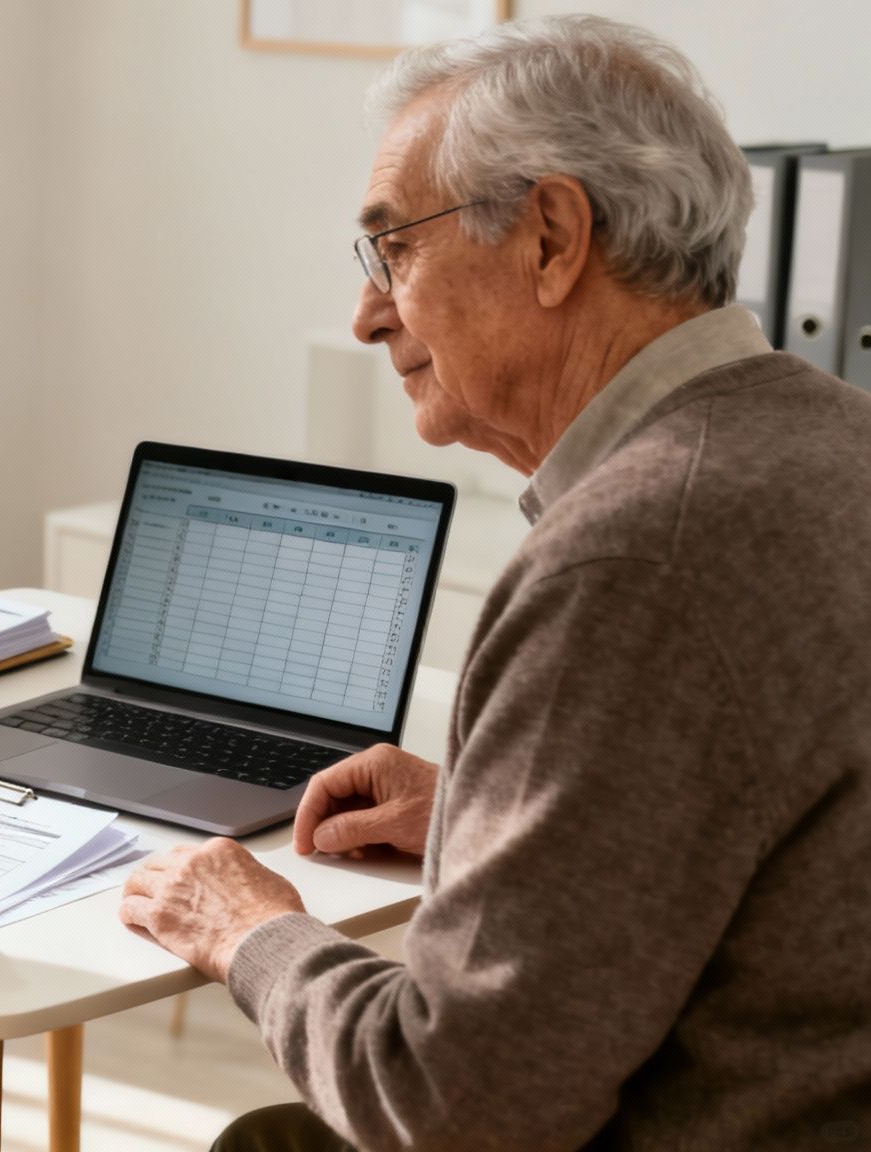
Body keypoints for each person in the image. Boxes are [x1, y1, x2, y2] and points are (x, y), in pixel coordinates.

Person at [118, 16, 871, 1151]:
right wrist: (497, 823)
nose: (368, 314)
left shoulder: (630, 555)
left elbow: (449, 1104)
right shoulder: (833, 436)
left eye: (395, 250)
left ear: (551, 238)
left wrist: (249, 931)